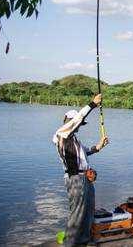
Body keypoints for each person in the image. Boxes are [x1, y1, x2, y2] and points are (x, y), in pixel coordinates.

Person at [52, 93, 109, 246]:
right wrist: (92, 104)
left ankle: (83, 241)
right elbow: (77, 120)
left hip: (86, 179)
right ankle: (69, 244)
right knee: (77, 213)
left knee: (88, 211)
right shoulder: (61, 134)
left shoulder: (74, 140)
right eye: (77, 123)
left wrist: (99, 146)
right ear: (68, 122)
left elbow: (86, 152)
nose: (79, 126)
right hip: (75, 179)